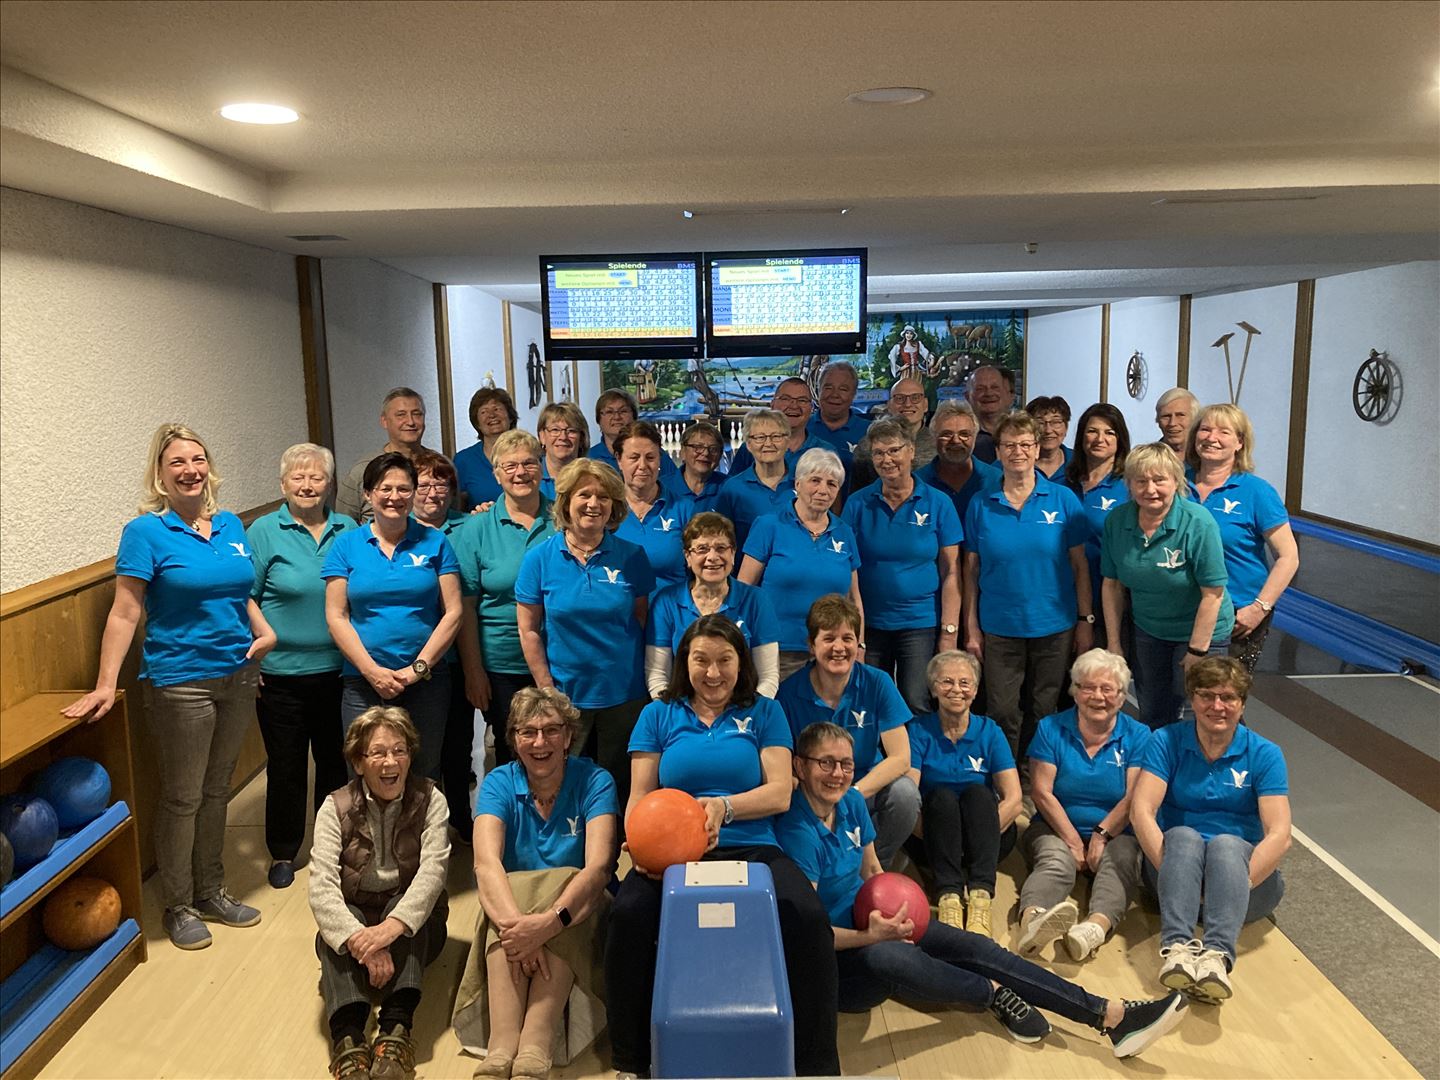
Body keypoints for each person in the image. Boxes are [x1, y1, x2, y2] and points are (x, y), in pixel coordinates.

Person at [777, 721, 1188, 1059]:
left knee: (978, 948)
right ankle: (991, 993)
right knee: (892, 956)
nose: (837, 773)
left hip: (875, 924)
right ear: (799, 766)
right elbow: (807, 936)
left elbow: (872, 871)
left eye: (846, 764)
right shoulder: (797, 832)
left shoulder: (850, 802)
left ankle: (1108, 1014)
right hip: (839, 965)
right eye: (825, 763)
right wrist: (872, 936)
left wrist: (900, 912)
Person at [64, 424, 275, 951]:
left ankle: (211, 889)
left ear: (209, 468)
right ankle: (178, 904)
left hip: (238, 673)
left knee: (217, 788)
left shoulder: (230, 525)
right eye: (177, 462)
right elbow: (125, 611)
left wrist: (265, 631)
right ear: (160, 474)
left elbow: (238, 592)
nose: (190, 470)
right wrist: (105, 684)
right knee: (183, 797)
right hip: (180, 682)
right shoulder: (146, 532)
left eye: (197, 460)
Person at [606, 616, 840, 1078]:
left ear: (741, 663)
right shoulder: (658, 714)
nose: (713, 673)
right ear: (684, 663)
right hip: (673, 856)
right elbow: (639, 797)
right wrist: (642, 847)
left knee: (809, 918)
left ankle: (815, 1064)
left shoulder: (766, 712)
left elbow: (780, 792)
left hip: (753, 848)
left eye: (724, 660)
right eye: (701, 660)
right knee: (628, 916)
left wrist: (724, 808)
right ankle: (631, 1060)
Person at [460, 687, 617, 1079]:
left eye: (551, 730)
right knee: (506, 887)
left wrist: (548, 923)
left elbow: (598, 867)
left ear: (568, 736)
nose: (539, 742)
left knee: (569, 880)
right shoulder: (499, 782)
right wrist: (520, 929)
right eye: (527, 732)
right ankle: (502, 1044)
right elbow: (485, 865)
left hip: (576, 909)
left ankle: (535, 1042)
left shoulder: (595, 780)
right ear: (513, 740)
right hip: (513, 914)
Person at [1131, 657, 1291, 1003]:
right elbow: (1141, 811)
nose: (1217, 706)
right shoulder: (1165, 741)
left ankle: (1217, 956)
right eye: (1207, 695)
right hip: (1174, 874)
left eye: (1228, 697)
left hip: (1244, 883)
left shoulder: (1265, 754)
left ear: (1242, 704)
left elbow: (1280, 833)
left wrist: (1230, 886)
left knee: (1227, 846)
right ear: (1192, 698)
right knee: (1183, 836)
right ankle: (1177, 949)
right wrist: (1176, 875)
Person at [309, 706, 450, 1080]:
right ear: (358, 763)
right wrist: (362, 940)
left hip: (415, 930)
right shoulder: (334, 807)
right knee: (339, 923)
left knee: (406, 905)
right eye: (378, 753)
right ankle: (348, 1039)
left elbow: (432, 874)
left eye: (400, 751)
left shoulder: (431, 799)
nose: (391, 762)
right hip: (358, 924)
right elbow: (321, 886)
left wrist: (390, 929)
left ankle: (395, 1031)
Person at [516, 458, 655, 812]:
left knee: (618, 787)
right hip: (566, 696)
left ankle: (615, 845)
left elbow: (640, 619)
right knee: (562, 786)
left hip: (624, 695)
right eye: (584, 495)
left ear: (614, 506)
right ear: (566, 502)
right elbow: (529, 630)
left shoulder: (632, 556)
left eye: (603, 497)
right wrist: (546, 689)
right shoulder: (539, 559)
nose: (594, 504)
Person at [247, 442, 356, 890]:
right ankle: (283, 850)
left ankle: (332, 847)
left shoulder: (349, 528)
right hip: (281, 675)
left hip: (340, 671)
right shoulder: (263, 531)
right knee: (286, 766)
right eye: (298, 477)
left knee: (336, 763)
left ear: (330, 484)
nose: (307, 485)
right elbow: (246, 598)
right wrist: (252, 656)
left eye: (316, 477)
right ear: (283, 484)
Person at [322, 452, 463, 780]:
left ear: (413, 493)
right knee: (364, 770)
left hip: (426, 682)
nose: (394, 497)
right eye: (385, 489)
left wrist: (417, 669)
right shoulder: (346, 545)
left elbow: (454, 611)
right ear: (368, 494)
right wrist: (372, 672)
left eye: (403, 489)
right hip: (362, 682)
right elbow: (336, 616)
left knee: (423, 771)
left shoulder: (435, 542)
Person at [963, 412, 1093, 759]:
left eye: (1025, 444)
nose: (1017, 452)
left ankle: (1036, 773)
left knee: (1044, 708)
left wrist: (1085, 620)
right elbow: (970, 571)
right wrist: (971, 627)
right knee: (1002, 709)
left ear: (1037, 449)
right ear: (998, 452)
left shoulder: (1064, 499)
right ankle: (1005, 774)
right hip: (999, 626)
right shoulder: (981, 504)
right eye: (1009, 445)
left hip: (1054, 624)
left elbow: (1080, 567)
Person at [1016, 650, 1151, 962]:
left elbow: (1134, 797)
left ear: (1122, 695)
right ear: (1074, 691)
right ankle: (1032, 920)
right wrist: (1073, 840)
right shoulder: (1050, 728)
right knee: (1055, 861)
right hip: (1053, 825)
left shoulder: (1139, 734)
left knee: (1122, 861)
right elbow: (1041, 792)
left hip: (1117, 832)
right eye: (1088, 687)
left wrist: (1101, 835)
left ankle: (1093, 929)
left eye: (1108, 689)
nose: (1098, 697)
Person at [776, 595, 918, 869]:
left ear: (858, 643)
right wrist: (824, 795)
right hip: (814, 793)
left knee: (905, 794)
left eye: (847, 638)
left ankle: (873, 867)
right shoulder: (788, 693)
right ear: (811, 645)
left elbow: (901, 758)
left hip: (865, 787)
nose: (839, 647)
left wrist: (852, 794)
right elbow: (785, 766)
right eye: (829, 639)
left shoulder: (878, 682)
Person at [1101, 443, 1234, 730]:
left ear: (1176, 481)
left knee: (1208, 712)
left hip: (1201, 632)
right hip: (1150, 629)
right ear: (1129, 484)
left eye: (1159, 480)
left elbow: (1213, 593)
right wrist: (1114, 644)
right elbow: (1111, 585)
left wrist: (1197, 651)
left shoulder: (1198, 522)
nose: (1150, 489)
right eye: (1141, 481)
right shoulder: (1117, 521)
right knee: (1154, 712)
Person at [843, 417, 963, 714]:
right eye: (879, 453)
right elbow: (847, 571)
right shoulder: (857, 504)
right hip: (870, 624)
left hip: (920, 623)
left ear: (911, 451)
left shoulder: (938, 503)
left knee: (916, 700)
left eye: (894, 450)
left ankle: (917, 748)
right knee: (869, 703)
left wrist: (949, 632)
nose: (887, 460)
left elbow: (951, 572)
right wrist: (854, 634)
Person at [453, 431, 557, 772]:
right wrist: (473, 670)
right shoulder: (477, 528)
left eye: (529, 463)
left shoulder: (562, 520)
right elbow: (465, 607)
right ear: (496, 474)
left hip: (560, 659)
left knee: (561, 747)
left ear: (541, 467)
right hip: (501, 664)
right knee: (513, 750)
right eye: (509, 466)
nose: (520, 472)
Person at [905, 651, 1022, 938]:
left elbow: (1014, 799)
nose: (956, 689)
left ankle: (981, 896)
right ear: (933, 689)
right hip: (932, 836)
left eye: (964, 683)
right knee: (941, 797)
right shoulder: (917, 730)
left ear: (976, 690)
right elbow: (909, 797)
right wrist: (943, 838)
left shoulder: (990, 731)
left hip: (983, 837)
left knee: (978, 795)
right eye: (946, 682)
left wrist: (976, 836)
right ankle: (949, 898)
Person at [1185, 403, 1299, 671]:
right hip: (1182, 609)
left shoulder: (1256, 491)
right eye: (1205, 429)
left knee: (1219, 692)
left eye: (1223, 432)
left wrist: (1259, 608)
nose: (1212, 437)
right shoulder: (1177, 483)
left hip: (1237, 613)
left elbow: (1289, 557)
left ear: (1240, 442)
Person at [739, 448, 863, 681]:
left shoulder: (844, 532)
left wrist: (859, 644)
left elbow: (854, 599)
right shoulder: (768, 525)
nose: (823, 490)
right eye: (815, 481)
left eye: (832, 484)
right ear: (798, 483)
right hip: (777, 650)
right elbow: (744, 589)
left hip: (831, 652)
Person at [410, 449, 476, 838]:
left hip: (457, 656)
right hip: (410, 660)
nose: (433, 491)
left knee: (458, 744)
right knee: (418, 749)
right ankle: (418, 825)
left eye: (442, 483)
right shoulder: (396, 530)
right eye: (423, 484)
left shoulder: (470, 527)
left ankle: (459, 817)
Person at [647, 512, 781, 697]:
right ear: (687, 557)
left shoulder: (756, 600)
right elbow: (658, 676)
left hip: (744, 707)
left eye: (721, 548)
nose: (712, 557)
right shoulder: (666, 602)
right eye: (702, 549)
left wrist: (751, 711)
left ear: (733, 554)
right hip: (682, 708)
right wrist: (674, 710)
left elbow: (768, 676)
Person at [1065, 403, 1132, 648]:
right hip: (1065, 595)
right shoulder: (1065, 483)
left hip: (1112, 597)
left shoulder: (1129, 486)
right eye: (1092, 431)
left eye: (1109, 433)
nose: (1099, 439)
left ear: (1120, 439)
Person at [613, 420, 694, 590]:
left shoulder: (685, 509)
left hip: (672, 605)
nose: (642, 466)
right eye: (634, 457)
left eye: (650, 458)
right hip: (619, 606)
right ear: (619, 460)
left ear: (659, 460)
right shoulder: (606, 509)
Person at [336, 387, 431, 520]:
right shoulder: (362, 471)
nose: (410, 422)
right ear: (384, 421)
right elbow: (344, 524)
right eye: (401, 415)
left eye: (417, 414)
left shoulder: (440, 467)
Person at [713, 408, 796, 549]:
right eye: (759, 437)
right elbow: (721, 540)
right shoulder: (732, 489)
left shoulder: (803, 484)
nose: (768, 443)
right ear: (748, 445)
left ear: (788, 442)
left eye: (776, 436)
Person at [916, 400, 999, 524]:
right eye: (946, 434)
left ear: (975, 437)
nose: (956, 440)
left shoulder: (997, 480)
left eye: (964, 434)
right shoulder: (917, 483)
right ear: (933, 438)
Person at [849, 377, 937, 490]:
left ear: (925, 405)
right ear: (889, 405)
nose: (908, 404)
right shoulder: (867, 445)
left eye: (915, 398)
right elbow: (857, 490)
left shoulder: (938, 444)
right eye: (899, 398)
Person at [728, 377, 829, 475]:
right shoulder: (751, 447)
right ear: (772, 405)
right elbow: (732, 485)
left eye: (802, 400)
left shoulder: (826, 451)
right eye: (785, 399)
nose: (794, 406)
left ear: (811, 408)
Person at [588, 388, 679, 484]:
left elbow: (674, 486)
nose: (617, 417)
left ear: (634, 417)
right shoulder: (589, 458)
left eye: (623, 411)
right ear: (598, 419)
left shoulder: (655, 455)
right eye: (609, 412)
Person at [454, 387, 519, 509]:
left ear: (510, 417)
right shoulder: (463, 460)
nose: (492, 415)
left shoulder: (527, 454)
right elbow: (456, 507)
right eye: (484, 412)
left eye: (497, 409)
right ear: (477, 423)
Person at [807, 361, 871, 469]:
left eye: (843, 389)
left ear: (854, 394)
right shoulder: (802, 428)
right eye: (828, 388)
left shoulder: (870, 431)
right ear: (819, 390)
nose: (835, 395)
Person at [536, 401, 589, 500]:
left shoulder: (593, 476)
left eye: (571, 431)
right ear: (542, 436)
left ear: (582, 438)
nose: (563, 437)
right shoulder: (531, 476)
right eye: (555, 430)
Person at [668, 421, 725, 512]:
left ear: (720, 455)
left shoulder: (731, 488)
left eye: (713, 449)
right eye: (698, 447)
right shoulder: (660, 488)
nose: (706, 453)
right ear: (683, 452)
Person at [966, 365, 1016, 464]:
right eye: (980, 389)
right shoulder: (961, 436)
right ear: (967, 397)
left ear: (1007, 394)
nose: (989, 393)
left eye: (995, 387)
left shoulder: (1025, 432)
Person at [1025, 395, 1073, 479]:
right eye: (1040, 423)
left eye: (1056, 422)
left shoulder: (1079, 462)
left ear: (1066, 427)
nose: (1048, 430)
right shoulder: (1015, 460)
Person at [1154, 387, 1200, 457]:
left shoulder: (1207, 459)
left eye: (1180, 415)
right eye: (1166, 416)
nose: (1172, 423)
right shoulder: (1146, 460)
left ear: (1195, 419)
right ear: (1158, 421)